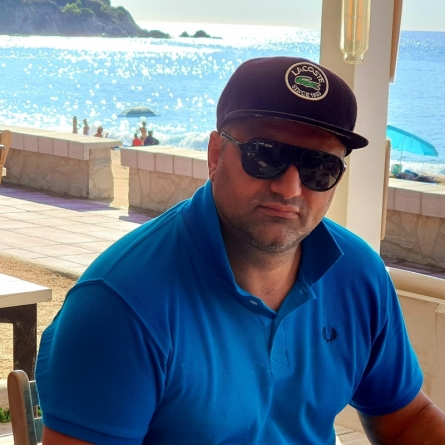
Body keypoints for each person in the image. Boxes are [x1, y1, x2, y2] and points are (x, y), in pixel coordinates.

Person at [36, 57, 445, 445]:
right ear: (216, 155)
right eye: (265, 156)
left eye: (320, 167)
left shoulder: (357, 275)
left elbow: (407, 419)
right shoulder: (120, 305)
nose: (290, 188)